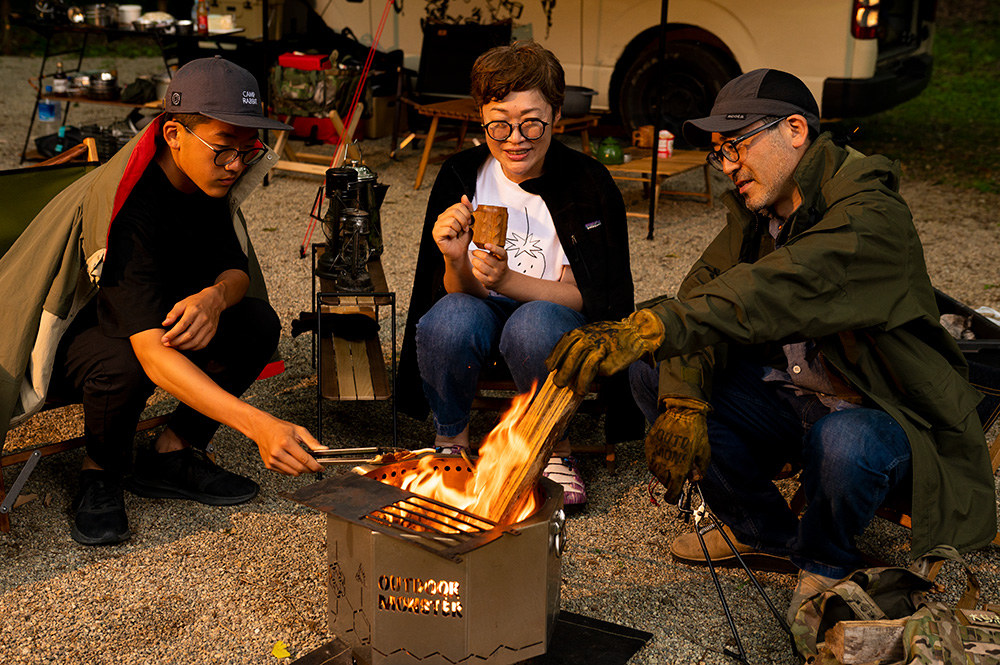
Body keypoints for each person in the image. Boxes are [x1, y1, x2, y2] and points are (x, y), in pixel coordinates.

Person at [545, 68, 996, 615]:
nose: (729, 165)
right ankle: (766, 535)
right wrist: (683, 397)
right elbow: (700, 296)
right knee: (652, 368)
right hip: (791, 397)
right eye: (719, 152)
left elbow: (780, 284)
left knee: (846, 442)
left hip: (883, 408)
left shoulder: (871, 214)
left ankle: (827, 560)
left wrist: (657, 325)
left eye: (736, 145)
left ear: (796, 131)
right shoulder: (757, 213)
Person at [0, 57, 324, 546]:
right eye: (223, 149)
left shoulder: (206, 179)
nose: (236, 165)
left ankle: (172, 452)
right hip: (69, 345)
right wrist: (260, 426)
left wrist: (214, 298)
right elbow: (152, 353)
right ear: (173, 134)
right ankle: (100, 471)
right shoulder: (130, 208)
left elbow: (236, 270)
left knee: (255, 320)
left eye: (247, 150)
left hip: (145, 319)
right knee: (125, 357)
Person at [396, 41, 642, 506]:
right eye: (499, 124)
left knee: (534, 325)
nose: (515, 138)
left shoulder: (587, 182)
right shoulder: (463, 174)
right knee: (449, 318)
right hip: (482, 304)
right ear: (480, 119)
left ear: (556, 117)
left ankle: (553, 447)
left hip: (556, 312)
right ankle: (452, 443)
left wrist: (508, 281)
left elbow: (587, 296)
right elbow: (453, 293)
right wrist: (453, 259)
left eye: (531, 121)